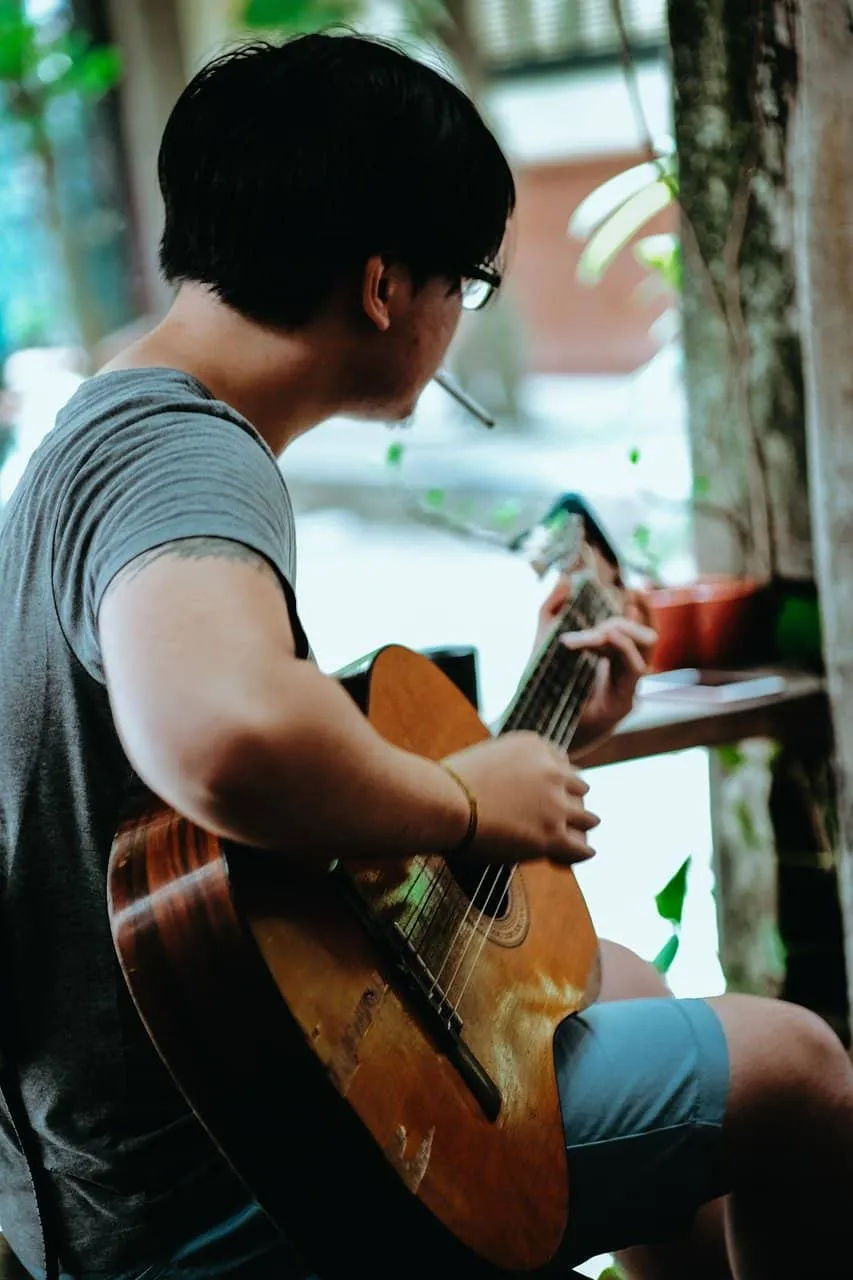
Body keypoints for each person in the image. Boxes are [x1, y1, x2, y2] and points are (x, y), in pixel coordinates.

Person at [0, 31, 851, 1280]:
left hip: (143, 1132)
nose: (462, 319)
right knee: (804, 1070)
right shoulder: (186, 458)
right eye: (469, 284)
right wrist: (461, 800)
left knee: (623, 976)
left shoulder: (106, 429)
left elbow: (266, 843)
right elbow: (224, 737)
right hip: (221, 1177)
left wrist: (546, 731)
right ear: (388, 286)